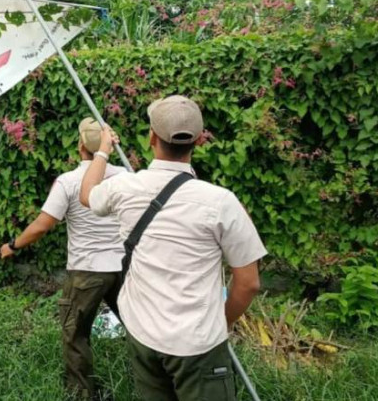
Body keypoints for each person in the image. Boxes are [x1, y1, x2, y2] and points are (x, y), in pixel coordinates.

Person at [79, 96, 267, 401]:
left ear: (152, 138)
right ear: (198, 141)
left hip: (142, 335)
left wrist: (102, 150)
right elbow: (248, 283)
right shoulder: (221, 202)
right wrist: (221, 324)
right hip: (198, 344)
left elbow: (87, 194)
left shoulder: (125, 187)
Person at [0, 117, 126, 400]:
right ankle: (155, 385)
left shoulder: (69, 182)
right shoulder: (126, 177)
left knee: (75, 334)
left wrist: (13, 245)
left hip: (86, 272)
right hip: (122, 268)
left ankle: (82, 394)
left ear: (81, 145)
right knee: (142, 328)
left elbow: (43, 225)